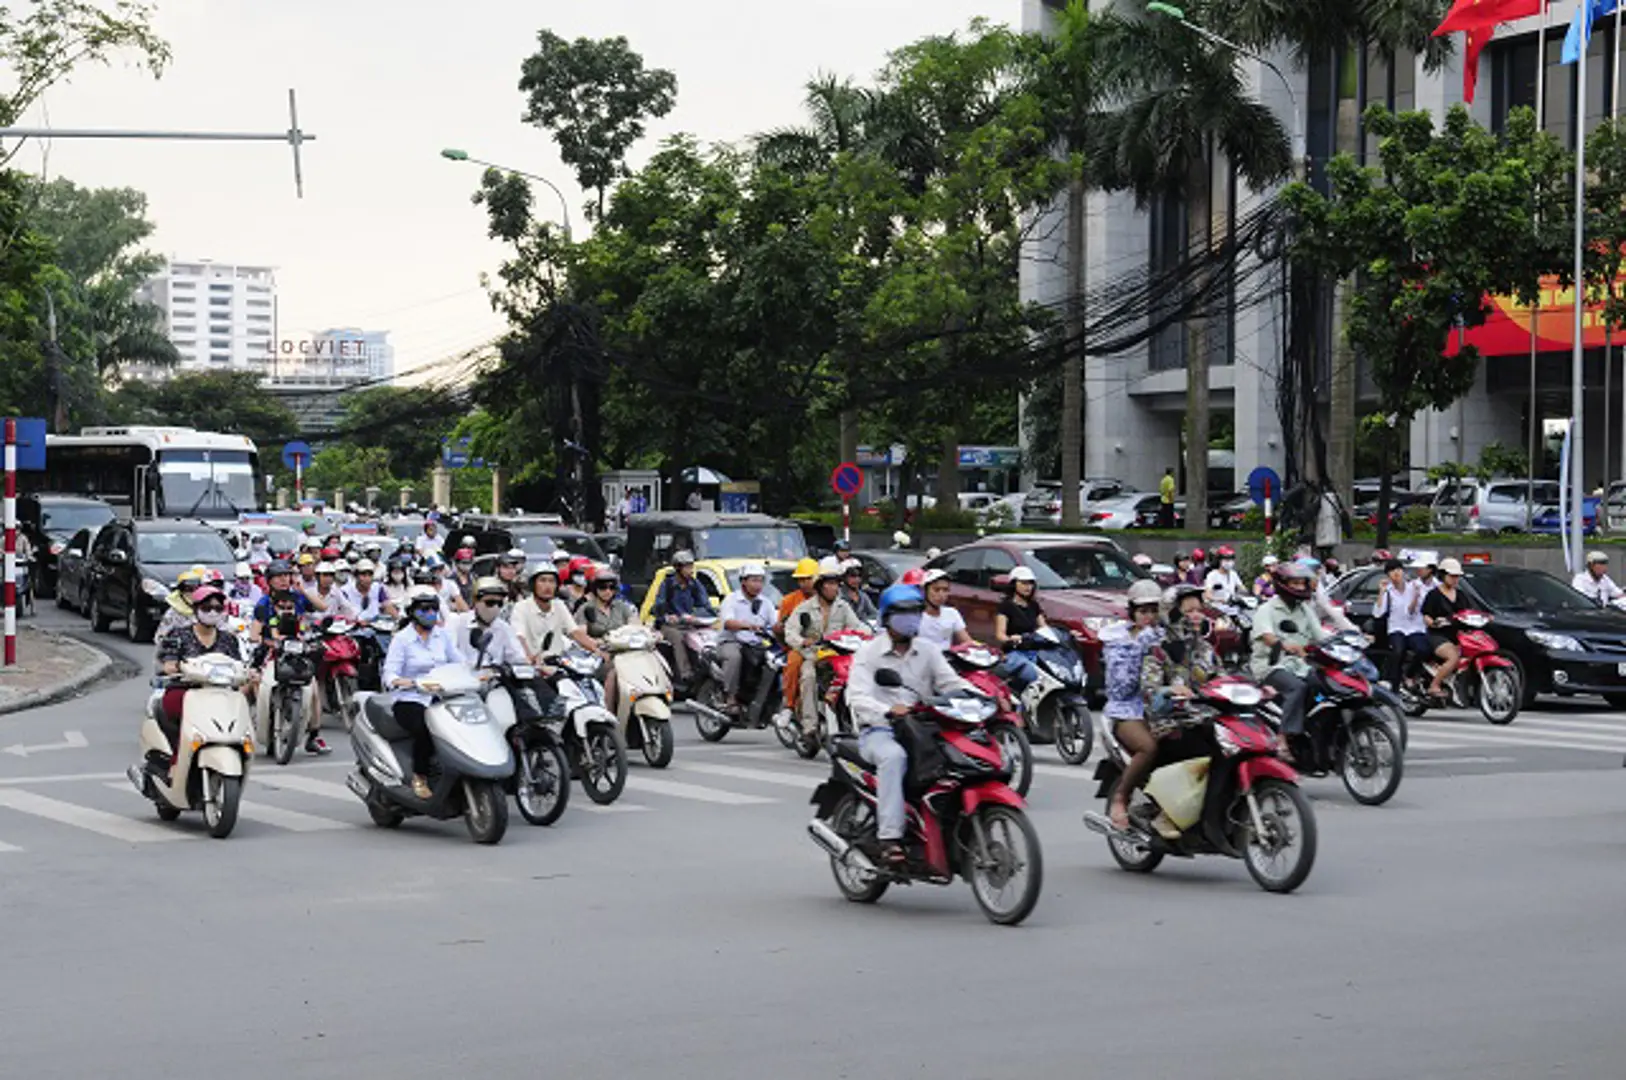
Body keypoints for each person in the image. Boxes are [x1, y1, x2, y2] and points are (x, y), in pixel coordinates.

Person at [846, 584, 975, 865]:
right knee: (895, 757)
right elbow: (857, 698)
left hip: (924, 728)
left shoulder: (928, 650)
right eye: (903, 613)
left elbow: (951, 682)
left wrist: (987, 697)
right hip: (880, 730)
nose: (911, 619)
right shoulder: (868, 653)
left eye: (916, 612)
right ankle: (890, 837)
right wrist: (888, 710)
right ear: (887, 617)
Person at [153, 585, 251, 766]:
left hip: (221, 694)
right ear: (196, 609)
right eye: (207, 608)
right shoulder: (179, 635)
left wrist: (248, 675)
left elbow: (239, 666)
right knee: (169, 705)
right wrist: (177, 667)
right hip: (187, 691)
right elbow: (168, 664)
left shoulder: (228, 638)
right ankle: (177, 757)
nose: (212, 612)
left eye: (218, 608)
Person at [382, 585, 462, 799]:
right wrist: (403, 681)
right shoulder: (402, 639)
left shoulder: (442, 636)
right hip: (410, 698)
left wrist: (477, 673)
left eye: (433, 609)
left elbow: (459, 662)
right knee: (426, 727)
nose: (430, 614)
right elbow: (389, 672)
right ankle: (420, 775)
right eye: (424, 609)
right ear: (412, 612)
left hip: (442, 697)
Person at [1100, 580, 1167, 829]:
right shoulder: (1118, 641)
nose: (1149, 617)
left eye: (1153, 610)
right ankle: (1121, 797)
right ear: (1132, 612)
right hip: (1126, 709)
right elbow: (1121, 687)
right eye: (1143, 611)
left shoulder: (1165, 635)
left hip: (1164, 707)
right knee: (1148, 748)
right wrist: (1141, 647)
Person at [785, 557, 866, 737]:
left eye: (836, 584)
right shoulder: (804, 608)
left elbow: (857, 626)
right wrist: (802, 641)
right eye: (829, 584)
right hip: (814, 657)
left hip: (838, 657)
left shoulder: (843, 606)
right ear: (820, 587)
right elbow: (790, 632)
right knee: (808, 677)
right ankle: (809, 725)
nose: (833, 588)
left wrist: (870, 635)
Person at [1250, 561, 1326, 748]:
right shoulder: (1267, 609)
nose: (1300, 587)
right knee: (1297, 688)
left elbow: (1321, 636)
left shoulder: (1305, 610)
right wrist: (1286, 646)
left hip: (1300, 665)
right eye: (1295, 583)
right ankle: (1283, 736)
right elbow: (1267, 637)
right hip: (1271, 666)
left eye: (1302, 583)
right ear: (1283, 584)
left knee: (1322, 687)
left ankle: (1313, 726)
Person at [716, 563, 777, 714]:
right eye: (754, 580)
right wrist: (746, 626)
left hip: (756, 644)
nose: (758, 585)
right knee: (734, 656)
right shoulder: (731, 600)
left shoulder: (766, 602)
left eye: (761, 580)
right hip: (731, 641)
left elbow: (775, 624)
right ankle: (729, 696)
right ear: (743, 581)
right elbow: (728, 622)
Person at [653, 550, 714, 689]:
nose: (690, 570)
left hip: (690, 623)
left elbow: (706, 606)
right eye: (687, 567)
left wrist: (696, 615)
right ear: (678, 568)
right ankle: (685, 673)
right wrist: (668, 616)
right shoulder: (667, 585)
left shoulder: (695, 584)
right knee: (677, 637)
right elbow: (658, 607)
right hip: (670, 625)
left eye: (691, 567)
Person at [1421, 557, 1473, 702]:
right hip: (1437, 636)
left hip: (1458, 635)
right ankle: (1434, 685)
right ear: (1443, 575)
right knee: (1453, 656)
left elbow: (1468, 613)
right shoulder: (1434, 595)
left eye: (1457, 576)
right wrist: (1434, 623)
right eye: (1452, 576)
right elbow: (1426, 616)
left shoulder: (1461, 595)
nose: (1455, 579)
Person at [1373, 557, 1428, 690]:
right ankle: (1394, 684)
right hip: (1396, 628)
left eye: (1398, 569)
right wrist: (1381, 592)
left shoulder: (1413, 587)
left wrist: (1415, 596)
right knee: (1398, 651)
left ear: (1403, 571)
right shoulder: (1389, 592)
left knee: (1423, 650)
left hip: (1415, 627)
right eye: (1392, 571)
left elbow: (1414, 611)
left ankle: (1409, 674)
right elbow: (1378, 613)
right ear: (1388, 575)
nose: (1396, 573)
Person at [453, 577, 530, 669]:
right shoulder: (458, 623)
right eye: (490, 602)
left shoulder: (504, 628)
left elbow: (518, 659)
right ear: (476, 601)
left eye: (500, 603)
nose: (495, 607)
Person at [777, 557, 822, 715]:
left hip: (825, 645)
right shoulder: (789, 601)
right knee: (794, 662)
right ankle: (789, 705)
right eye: (801, 579)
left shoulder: (828, 599)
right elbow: (783, 628)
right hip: (799, 645)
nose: (804, 583)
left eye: (808, 579)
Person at [512, 564, 579, 666]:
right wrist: (529, 657)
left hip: (558, 664)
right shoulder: (521, 607)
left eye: (552, 581)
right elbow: (520, 637)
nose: (547, 586)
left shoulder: (559, 605)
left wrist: (596, 649)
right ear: (533, 584)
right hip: (533, 667)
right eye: (542, 580)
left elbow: (575, 632)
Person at [994, 566, 1048, 691]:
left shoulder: (1034, 605)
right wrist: (1010, 639)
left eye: (1030, 583)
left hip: (1034, 651)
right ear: (1014, 584)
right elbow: (999, 634)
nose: (1028, 587)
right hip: (1014, 653)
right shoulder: (1005, 606)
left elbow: (1044, 628)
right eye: (1023, 583)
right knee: (1033, 675)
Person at [571, 564, 639, 652]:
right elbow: (581, 636)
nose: (608, 591)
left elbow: (635, 626)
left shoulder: (621, 606)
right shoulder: (585, 608)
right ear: (595, 589)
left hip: (623, 651)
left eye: (611, 587)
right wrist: (599, 643)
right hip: (596, 652)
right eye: (603, 587)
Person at [917, 568, 972, 648]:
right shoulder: (914, 615)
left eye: (945, 590)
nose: (941, 595)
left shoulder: (952, 613)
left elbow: (967, 641)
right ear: (924, 591)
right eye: (936, 590)